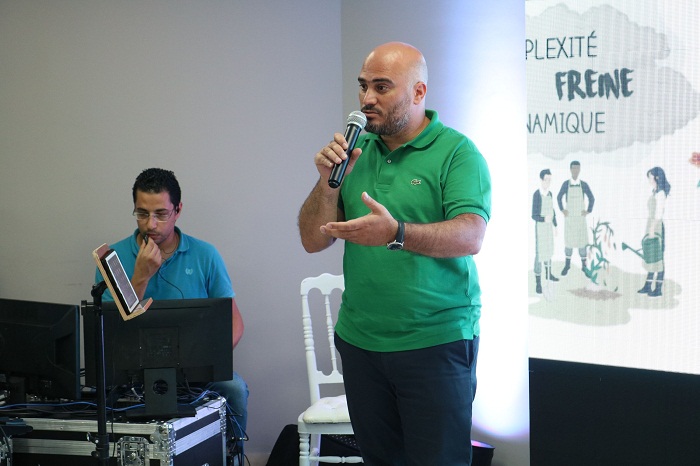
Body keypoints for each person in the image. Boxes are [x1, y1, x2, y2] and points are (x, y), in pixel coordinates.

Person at [298, 42, 491, 466]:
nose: (367, 99)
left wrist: (397, 233)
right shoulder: (355, 152)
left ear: (418, 92)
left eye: (382, 87)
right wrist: (326, 183)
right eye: (363, 86)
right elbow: (313, 240)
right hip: (361, 342)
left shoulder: (457, 152)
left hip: (435, 342)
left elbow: (470, 236)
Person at [96, 168, 248, 464]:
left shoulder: (205, 255)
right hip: (131, 373)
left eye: (161, 214)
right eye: (142, 214)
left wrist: (208, 360)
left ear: (178, 210)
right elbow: (109, 329)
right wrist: (141, 276)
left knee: (235, 389)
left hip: (195, 371)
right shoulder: (114, 258)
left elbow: (235, 323)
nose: (150, 224)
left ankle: (233, 457)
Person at [556, 161, 595, 275]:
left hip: (580, 219)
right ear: (570, 169)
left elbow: (592, 198)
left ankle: (584, 266)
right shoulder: (565, 184)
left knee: (582, 243)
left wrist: (588, 210)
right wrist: (562, 209)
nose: (575, 171)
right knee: (569, 243)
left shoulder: (583, 184)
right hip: (570, 220)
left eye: (577, 168)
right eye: (573, 168)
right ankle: (567, 265)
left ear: (580, 169)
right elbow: (559, 197)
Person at [638, 166, 670, 297]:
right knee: (651, 257)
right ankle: (647, 286)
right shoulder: (655, 192)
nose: (649, 180)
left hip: (656, 227)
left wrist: (652, 228)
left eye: (650, 177)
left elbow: (659, 213)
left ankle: (658, 289)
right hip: (650, 225)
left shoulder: (660, 193)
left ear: (657, 178)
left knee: (658, 259)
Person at [532, 169, 558, 294]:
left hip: (549, 228)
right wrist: (543, 219)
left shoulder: (550, 194)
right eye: (546, 179)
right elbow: (533, 215)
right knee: (539, 254)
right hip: (540, 228)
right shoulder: (537, 195)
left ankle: (549, 274)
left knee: (548, 250)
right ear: (541, 180)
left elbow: (553, 211)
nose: (548, 182)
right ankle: (538, 283)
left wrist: (555, 225)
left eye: (550, 180)